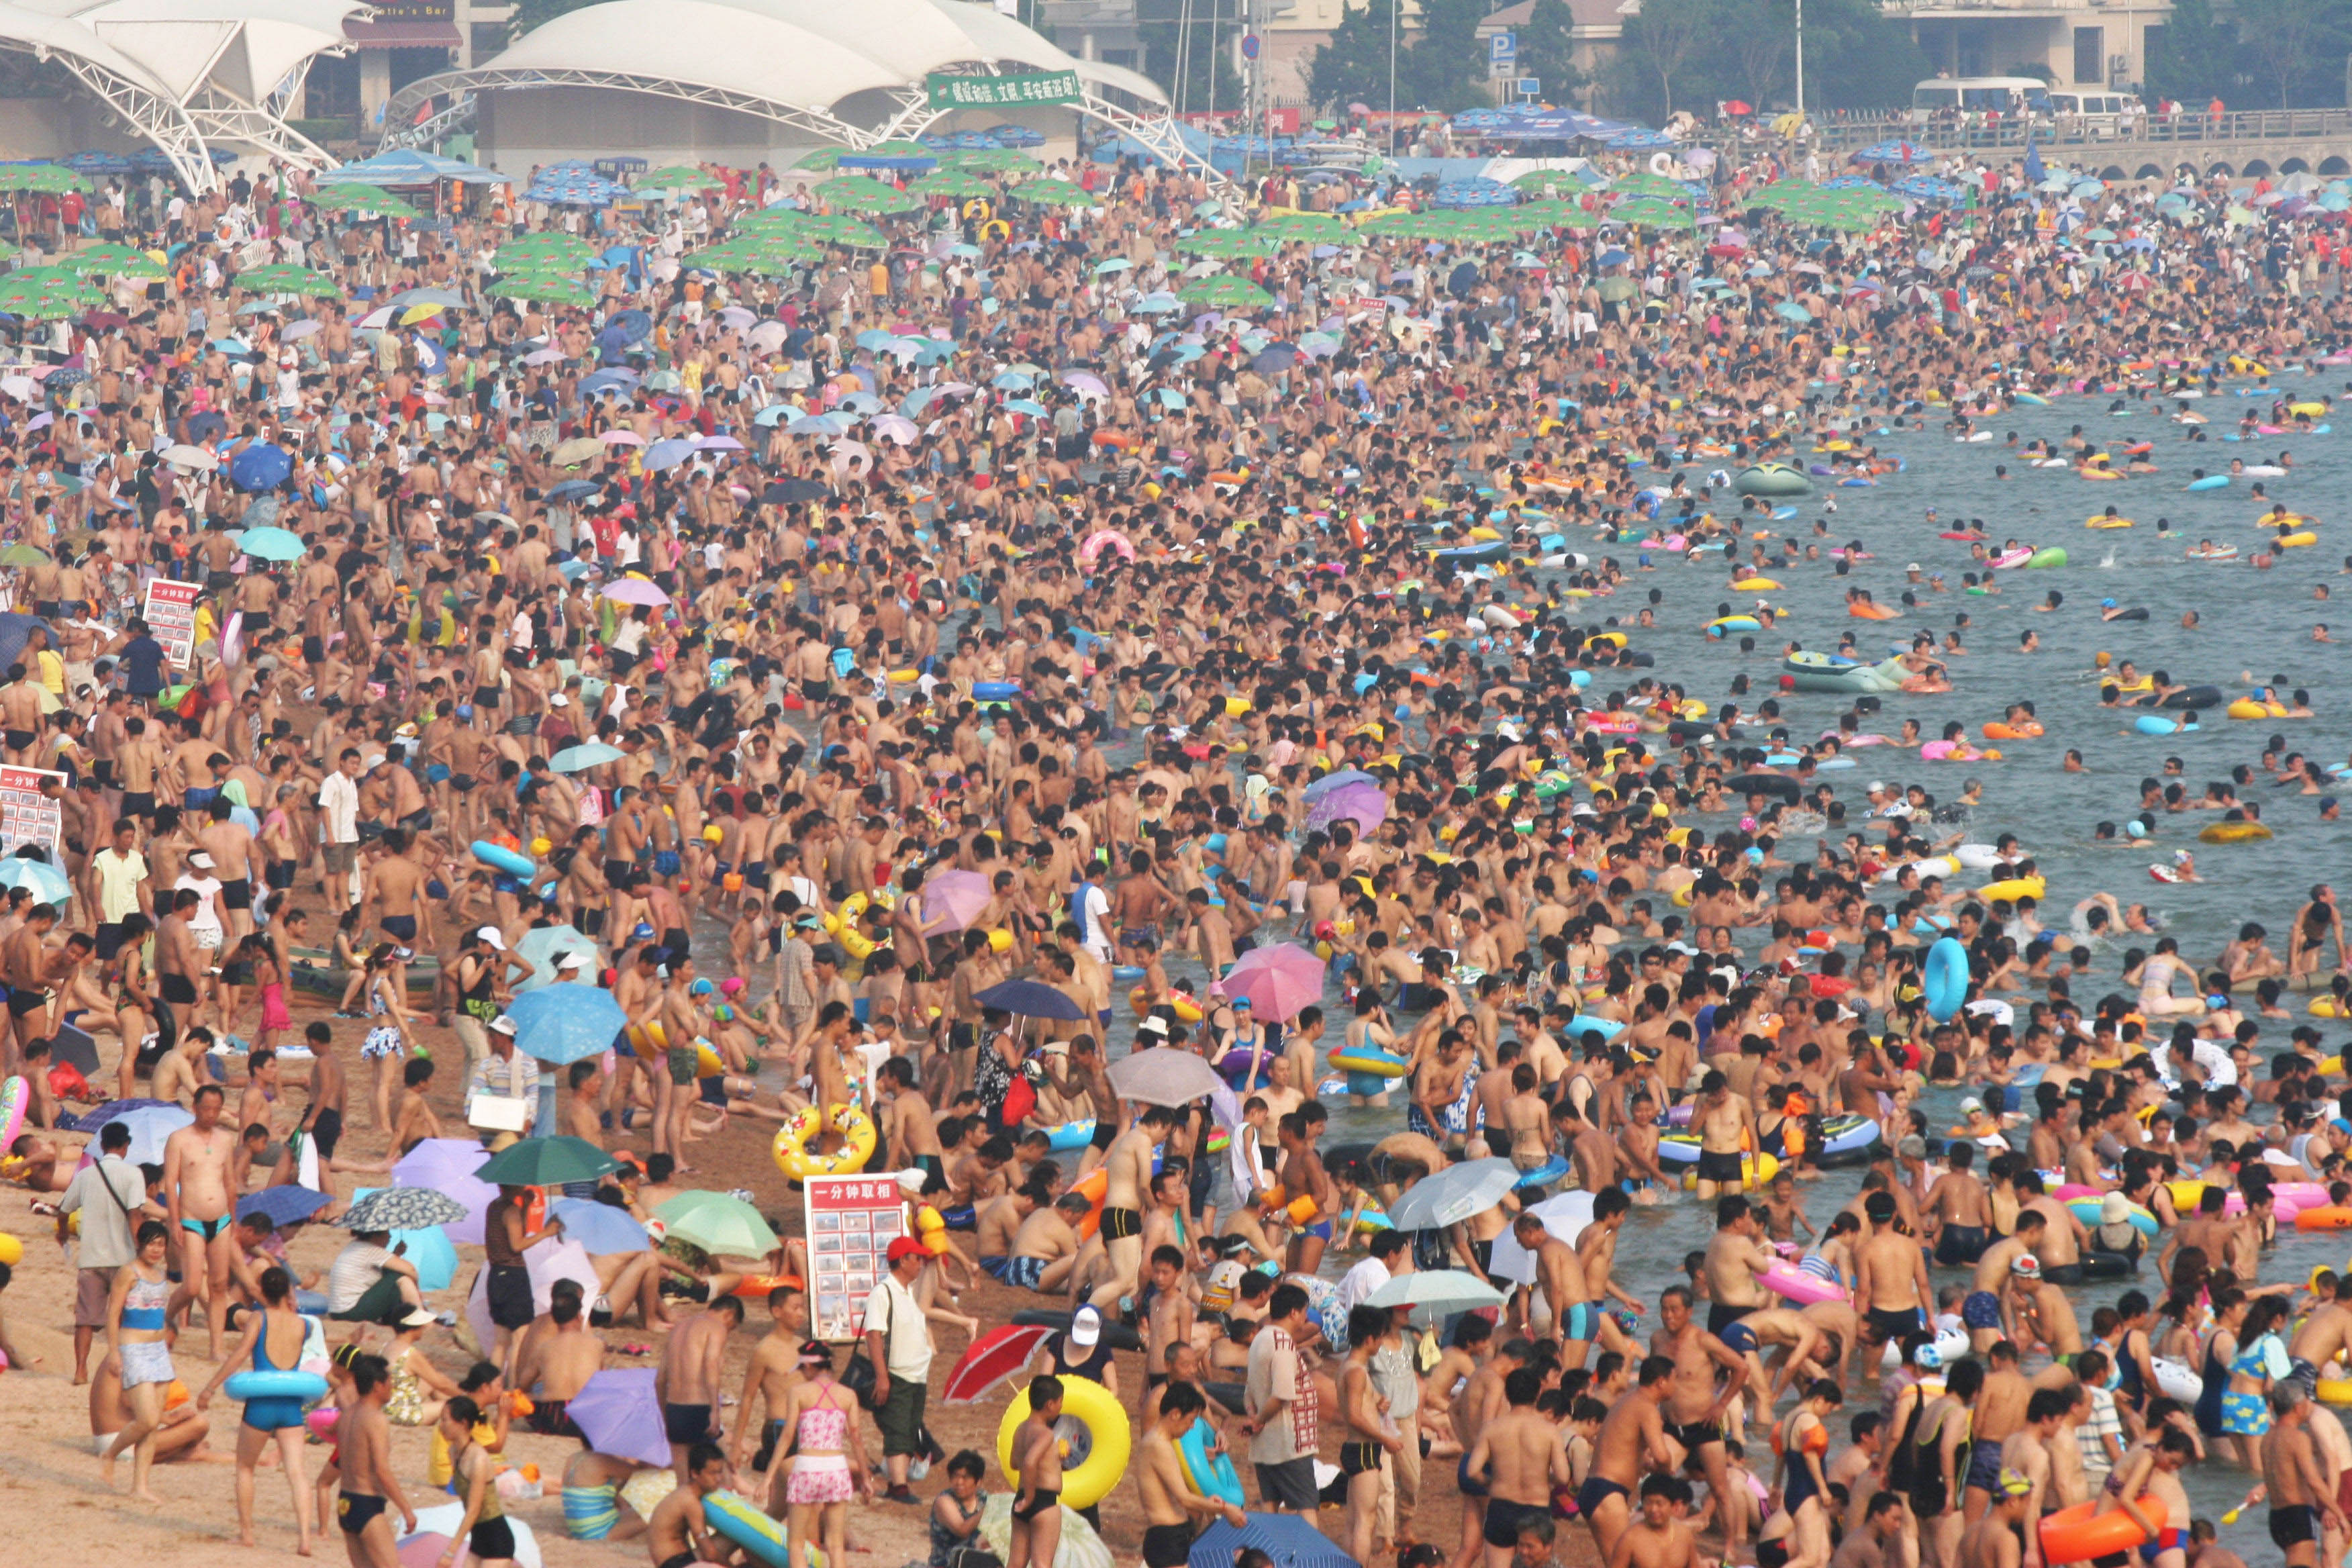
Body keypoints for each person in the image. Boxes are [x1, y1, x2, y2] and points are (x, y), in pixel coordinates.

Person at [194, 1263, 315, 1553]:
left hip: (261, 1405)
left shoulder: (259, 1319)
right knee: (297, 1472)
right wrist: (292, 1301)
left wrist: (211, 1387)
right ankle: (305, 1539)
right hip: (290, 1406)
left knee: (245, 1467)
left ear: (261, 1291)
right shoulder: (303, 1324)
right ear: (288, 1291)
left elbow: (239, 1355)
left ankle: (247, 1534)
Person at [775, 1339, 870, 1568]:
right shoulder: (848, 1395)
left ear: (808, 1367)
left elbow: (787, 1436)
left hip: (807, 1466)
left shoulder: (798, 1392)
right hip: (837, 1469)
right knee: (836, 1544)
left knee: (796, 1544)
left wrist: (768, 1476)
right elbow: (856, 1439)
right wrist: (866, 1478)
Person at [99, 1218, 176, 1502]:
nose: (156, 1250)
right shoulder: (128, 1273)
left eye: (161, 1244)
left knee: (153, 1426)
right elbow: (112, 1313)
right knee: (147, 1418)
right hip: (133, 1348)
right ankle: (110, 1454)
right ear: (140, 1244)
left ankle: (140, 1486)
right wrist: (114, 1351)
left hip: (159, 1351)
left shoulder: (161, 1275)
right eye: (152, 1244)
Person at [1136, 1380, 1246, 1568]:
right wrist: (1226, 1509)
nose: (1192, 1426)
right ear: (1175, 1414)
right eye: (1191, 1420)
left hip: (1170, 1536)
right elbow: (1184, 1499)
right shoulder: (1158, 1445)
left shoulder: (1159, 1442)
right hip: (1167, 1537)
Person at [864, 1234, 935, 1503]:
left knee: (908, 1426)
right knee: (898, 1427)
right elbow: (874, 1335)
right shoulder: (883, 1292)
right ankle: (898, 1485)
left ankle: (899, 1482)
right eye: (916, 1258)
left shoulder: (905, 1293)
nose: (920, 1263)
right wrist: (883, 1377)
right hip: (898, 1374)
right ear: (903, 1260)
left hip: (914, 1375)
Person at [334, 1353, 418, 1568]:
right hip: (366, 1504)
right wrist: (406, 1509)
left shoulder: (347, 1415)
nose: (392, 1387)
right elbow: (381, 1470)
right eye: (389, 1383)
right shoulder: (376, 1419)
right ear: (377, 1386)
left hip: (345, 1501)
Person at [438, 1395, 519, 1568]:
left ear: (463, 1423)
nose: (441, 1426)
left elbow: (474, 1510)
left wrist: (450, 1552)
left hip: (498, 1539)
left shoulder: (479, 1460)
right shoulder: (453, 1452)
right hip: (478, 1538)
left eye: (445, 1420)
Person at [1007, 1373, 1067, 1568]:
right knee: (1042, 1563)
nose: (1061, 1406)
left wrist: (1051, 1457)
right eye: (1060, 1402)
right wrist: (1031, 1499)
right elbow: (1029, 1463)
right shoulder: (1046, 1434)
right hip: (1042, 1501)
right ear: (1050, 1404)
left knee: (1016, 1562)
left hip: (1021, 1497)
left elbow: (1015, 1462)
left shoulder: (1021, 1429)